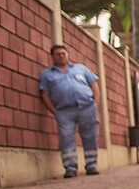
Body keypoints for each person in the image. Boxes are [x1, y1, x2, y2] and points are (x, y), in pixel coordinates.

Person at [39, 44, 100, 178]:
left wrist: (95, 103)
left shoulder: (81, 68)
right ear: (52, 56)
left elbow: (94, 85)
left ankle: (92, 165)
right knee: (66, 138)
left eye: (63, 53)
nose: (61, 55)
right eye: (58, 54)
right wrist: (55, 111)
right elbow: (44, 95)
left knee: (90, 136)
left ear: (67, 54)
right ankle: (70, 168)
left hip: (87, 108)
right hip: (64, 111)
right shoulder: (47, 74)